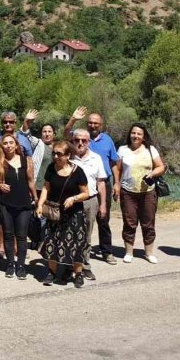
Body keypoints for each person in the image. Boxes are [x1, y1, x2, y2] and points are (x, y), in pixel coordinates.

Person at [65, 107, 120, 264]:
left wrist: (116, 183)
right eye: (90, 122)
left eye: (96, 123)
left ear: (101, 124)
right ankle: (76, 254)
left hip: (102, 183)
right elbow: (65, 133)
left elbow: (114, 162)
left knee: (103, 219)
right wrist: (73, 118)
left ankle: (106, 251)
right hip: (79, 188)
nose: (93, 125)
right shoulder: (79, 136)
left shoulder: (108, 140)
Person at [36, 141, 90, 287]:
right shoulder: (51, 168)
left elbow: (86, 193)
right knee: (51, 243)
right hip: (54, 213)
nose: (56, 156)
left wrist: (74, 198)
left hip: (74, 215)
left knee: (76, 245)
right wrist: (40, 204)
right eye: (54, 153)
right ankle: (51, 273)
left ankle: (78, 274)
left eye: (59, 154)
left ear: (68, 155)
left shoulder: (77, 171)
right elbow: (46, 188)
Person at [113, 123, 166, 264]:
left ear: (143, 137)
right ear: (130, 134)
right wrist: (116, 184)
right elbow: (117, 169)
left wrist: (153, 173)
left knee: (148, 223)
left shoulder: (150, 150)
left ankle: (149, 253)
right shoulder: (122, 150)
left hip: (148, 192)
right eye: (133, 133)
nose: (135, 136)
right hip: (128, 192)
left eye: (139, 134)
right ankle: (129, 252)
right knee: (129, 223)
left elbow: (161, 166)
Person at [0, 134, 37, 279]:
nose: (8, 145)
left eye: (11, 142)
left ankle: (21, 265)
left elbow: (30, 181)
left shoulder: (26, 160)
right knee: (8, 235)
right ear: (1, 146)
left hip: (24, 203)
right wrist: (0, 185)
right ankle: (10, 264)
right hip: (6, 203)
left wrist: (35, 198)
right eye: (5, 143)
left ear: (16, 145)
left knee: (22, 236)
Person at [70, 129, 107, 281]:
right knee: (70, 234)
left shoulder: (96, 158)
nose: (80, 143)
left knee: (86, 235)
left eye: (84, 140)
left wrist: (103, 204)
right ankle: (70, 266)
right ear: (72, 141)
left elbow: (101, 183)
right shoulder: (68, 158)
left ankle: (85, 265)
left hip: (91, 201)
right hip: (71, 202)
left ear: (89, 142)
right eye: (77, 140)